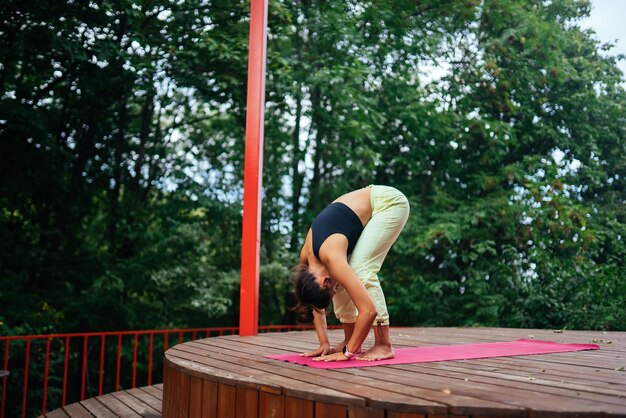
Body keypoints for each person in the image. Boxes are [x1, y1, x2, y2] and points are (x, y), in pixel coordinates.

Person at [292, 185, 409, 362]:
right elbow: (313, 303)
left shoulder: (330, 256)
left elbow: (368, 311)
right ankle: (350, 339)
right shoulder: (307, 267)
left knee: (360, 270)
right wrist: (324, 343)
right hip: (361, 209)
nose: (335, 290)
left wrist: (348, 353)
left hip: (389, 203)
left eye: (331, 291)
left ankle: (383, 344)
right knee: (342, 277)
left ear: (324, 282)